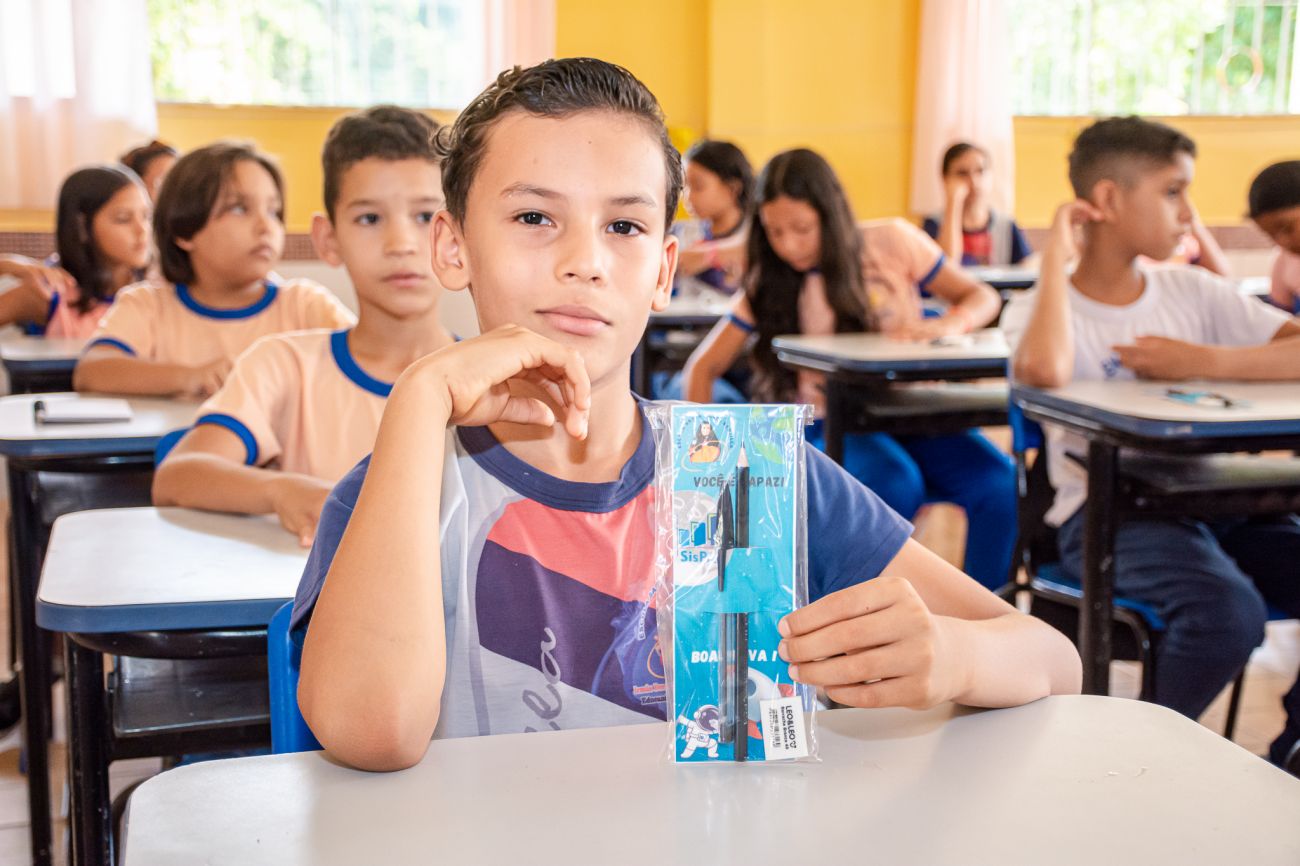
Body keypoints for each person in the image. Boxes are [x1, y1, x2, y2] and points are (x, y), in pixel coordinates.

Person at [291, 58, 1080, 772]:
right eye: (534, 217)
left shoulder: (746, 479)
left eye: (624, 227)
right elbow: (372, 732)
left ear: (664, 270)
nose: (585, 261)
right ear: (453, 247)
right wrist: (418, 400)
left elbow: (1053, 658)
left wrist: (952, 654)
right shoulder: (398, 499)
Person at [1003, 115, 1300, 775]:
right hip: (1106, 515)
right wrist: (1054, 256)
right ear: (1107, 200)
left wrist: (1203, 362)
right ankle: (1128, 767)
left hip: (1215, 503)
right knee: (1227, 613)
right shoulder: (1041, 309)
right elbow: (1044, 371)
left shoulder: (1190, 290)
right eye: (1172, 191)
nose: (1189, 213)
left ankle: (1289, 758)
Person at [682, 148, 1016, 590]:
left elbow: (982, 296)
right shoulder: (769, 278)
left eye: (803, 229)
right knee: (892, 483)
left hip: (914, 414)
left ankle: (982, 614)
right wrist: (706, 474)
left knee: (998, 483)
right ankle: (867, 616)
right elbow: (702, 367)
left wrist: (948, 324)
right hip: (830, 423)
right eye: (775, 231)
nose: (789, 245)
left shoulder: (892, 241)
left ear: (832, 214)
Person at [152, 107, 454, 546]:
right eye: (369, 219)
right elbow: (179, 475)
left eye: (425, 216)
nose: (401, 244)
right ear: (328, 239)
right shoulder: (284, 364)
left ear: (457, 235)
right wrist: (280, 491)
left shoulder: (493, 385)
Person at [74, 141, 355, 398]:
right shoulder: (148, 305)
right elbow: (92, 371)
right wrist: (189, 377)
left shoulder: (305, 305)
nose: (266, 227)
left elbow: (371, 361)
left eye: (273, 211)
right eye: (239, 209)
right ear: (184, 230)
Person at [0, 165, 151, 337]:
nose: (142, 230)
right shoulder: (49, 294)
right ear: (81, 226)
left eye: (146, 216)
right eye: (123, 219)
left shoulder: (161, 288)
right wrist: (5, 265)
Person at [923, 142, 1031, 267]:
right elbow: (947, 265)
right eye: (962, 173)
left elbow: (1027, 268)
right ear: (945, 178)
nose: (973, 181)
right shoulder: (934, 223)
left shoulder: (1006, 225)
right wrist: (953, 202)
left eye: (980, 171)